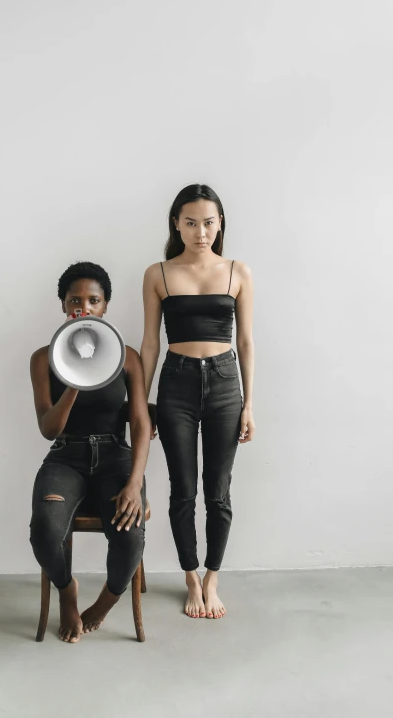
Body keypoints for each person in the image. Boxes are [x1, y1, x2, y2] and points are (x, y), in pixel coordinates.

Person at [140, 184, 255, 619]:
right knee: (183, 490)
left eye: (208, 222)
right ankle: (190, 577)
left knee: (218, 492)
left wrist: (249, 403)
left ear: (220, 222)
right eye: (191, 223)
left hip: (225, 383)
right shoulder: (159, 273)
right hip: (177, 383)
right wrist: (143, 403)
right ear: (176, 224)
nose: (200, 231)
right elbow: (150, 344)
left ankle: (212, 577)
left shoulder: (237, 271)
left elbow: (245, 341)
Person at [29, 261, 151, 643]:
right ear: (64, 306)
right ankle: (68, 590)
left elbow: (142, 424)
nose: (84, 306)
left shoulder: (127, 356)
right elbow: (49, 429)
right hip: (67, 456)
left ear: (105, 306)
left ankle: (107, 601)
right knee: (46, 532)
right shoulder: (43, 358)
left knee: (130, 535)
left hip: (116, 456)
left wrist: (134, 483)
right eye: (75, 300)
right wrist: (75, 378)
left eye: (93, 300)